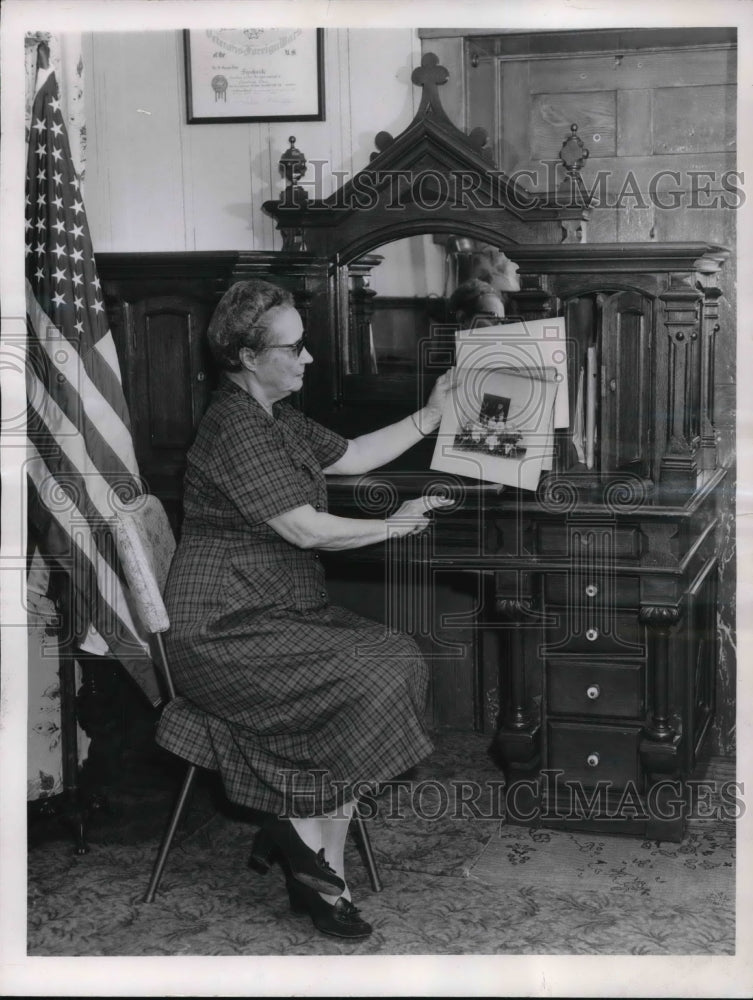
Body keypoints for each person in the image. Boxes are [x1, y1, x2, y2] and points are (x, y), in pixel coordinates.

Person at [156, 278, 453, 941]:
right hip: (220, 627)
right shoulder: (233, 426)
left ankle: (308, 854)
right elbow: (306, 531)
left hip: (275, 610)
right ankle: (320, 872)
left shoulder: (274, 416)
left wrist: (430, 416)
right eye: (294, 348)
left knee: (392, 659)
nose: (308, 359)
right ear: (247, 356)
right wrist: (394, 526)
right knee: (369, 673)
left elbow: (350, 457)